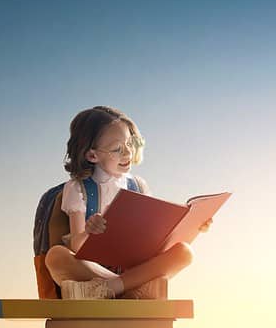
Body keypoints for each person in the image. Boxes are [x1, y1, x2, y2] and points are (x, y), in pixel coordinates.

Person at [45, 106, 212, 300]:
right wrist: (89, 232)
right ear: (92, 155)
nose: (127, 153)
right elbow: (76, 244)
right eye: (117, 149)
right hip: (93, 266)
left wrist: (194, 227)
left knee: (185, 252)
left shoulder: (139, 185)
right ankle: (134, 288)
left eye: (129, 144)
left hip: (134, 266)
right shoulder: (78, 188)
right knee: (56, 256)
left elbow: (156, 240)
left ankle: (111, 288)